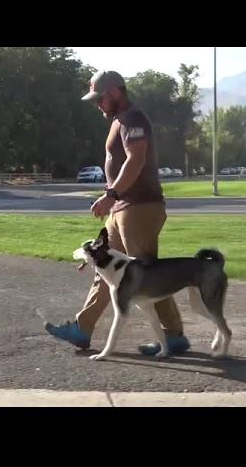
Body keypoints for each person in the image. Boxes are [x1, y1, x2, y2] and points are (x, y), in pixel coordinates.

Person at [45, 70, 190, 356]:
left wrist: (111, 195)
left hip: (139, 206)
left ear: (114, 92)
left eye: (99, 98)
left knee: (147, 275)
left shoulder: (133, 119)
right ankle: (82, 328)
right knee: (103, 266)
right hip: (123, 206)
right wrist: (114, 199)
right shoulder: (119, 121)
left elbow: (136, 160)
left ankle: (173, 336)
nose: (98, 104)